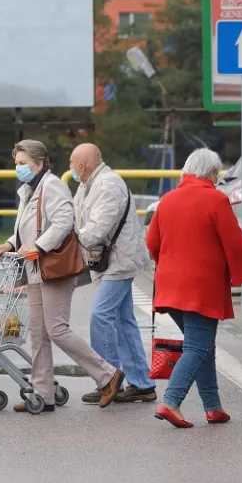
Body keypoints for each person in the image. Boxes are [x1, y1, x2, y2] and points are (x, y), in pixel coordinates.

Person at [0, 139, 123, 413]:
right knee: (37, 333)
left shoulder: (52, 187)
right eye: (16, 164)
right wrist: (9, 245)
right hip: (36, 269)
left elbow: (64, 222)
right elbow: (25, 229)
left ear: (39, 163)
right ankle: (42, 394)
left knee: (57, 329)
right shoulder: (29, 189)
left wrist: (38, 247)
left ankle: (106, 375)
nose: (18, 168)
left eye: (23, 163)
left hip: (54, 268)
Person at [145, 148, 242, 428]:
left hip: (169, 285)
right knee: (197, 347)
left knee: (202, 345)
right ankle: (171, 402)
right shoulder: (215, 199)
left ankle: (213, 406)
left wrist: (170, 266)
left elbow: (152, 243)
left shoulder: (167, 200)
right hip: (200, 287)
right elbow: (234, 242)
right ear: (211, 173)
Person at [69, 143, 157, 404]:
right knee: (122, 320)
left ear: (83, 166)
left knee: (101, 314)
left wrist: (71, 239)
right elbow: (75, 219)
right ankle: (141, 383)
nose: (71, 168)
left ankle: (108, 379)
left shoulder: (107, 185)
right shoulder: (86, 186)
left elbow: (96, 229)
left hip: (120, 262)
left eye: (73, 163)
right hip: (114, 262)